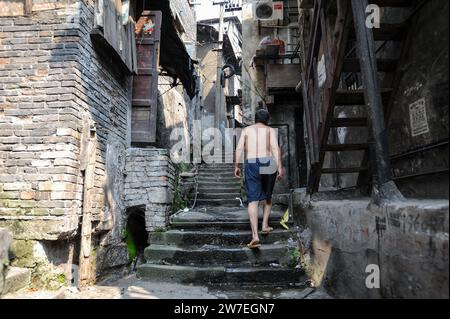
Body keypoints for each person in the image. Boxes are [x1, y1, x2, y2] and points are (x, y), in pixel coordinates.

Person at [234, 108, 284, 249]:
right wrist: (279, 166)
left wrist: (236, 166)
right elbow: (275, 148)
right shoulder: (270, 131)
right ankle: (265, 225)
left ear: (255, 119)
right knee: (268, 197)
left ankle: (255, 236)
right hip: (268, 161)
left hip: (251, 163)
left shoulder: (246, 130)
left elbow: (239, 149)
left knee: (253, 200)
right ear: (267, 120)